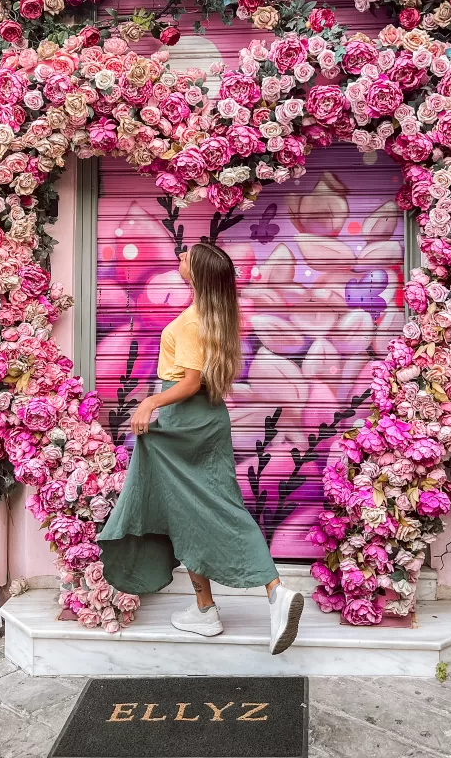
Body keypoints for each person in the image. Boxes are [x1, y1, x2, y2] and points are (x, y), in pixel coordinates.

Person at [98, 242, 305, 655]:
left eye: (187, 255)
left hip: (186, 419)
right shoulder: (214, 315)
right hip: (203, 420)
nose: (180, 257)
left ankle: (274, 592)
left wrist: (149, 402)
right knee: (186, 509)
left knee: (211, 507)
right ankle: (206, 610)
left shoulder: (193, 322)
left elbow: (190, 381)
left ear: (199, 272)